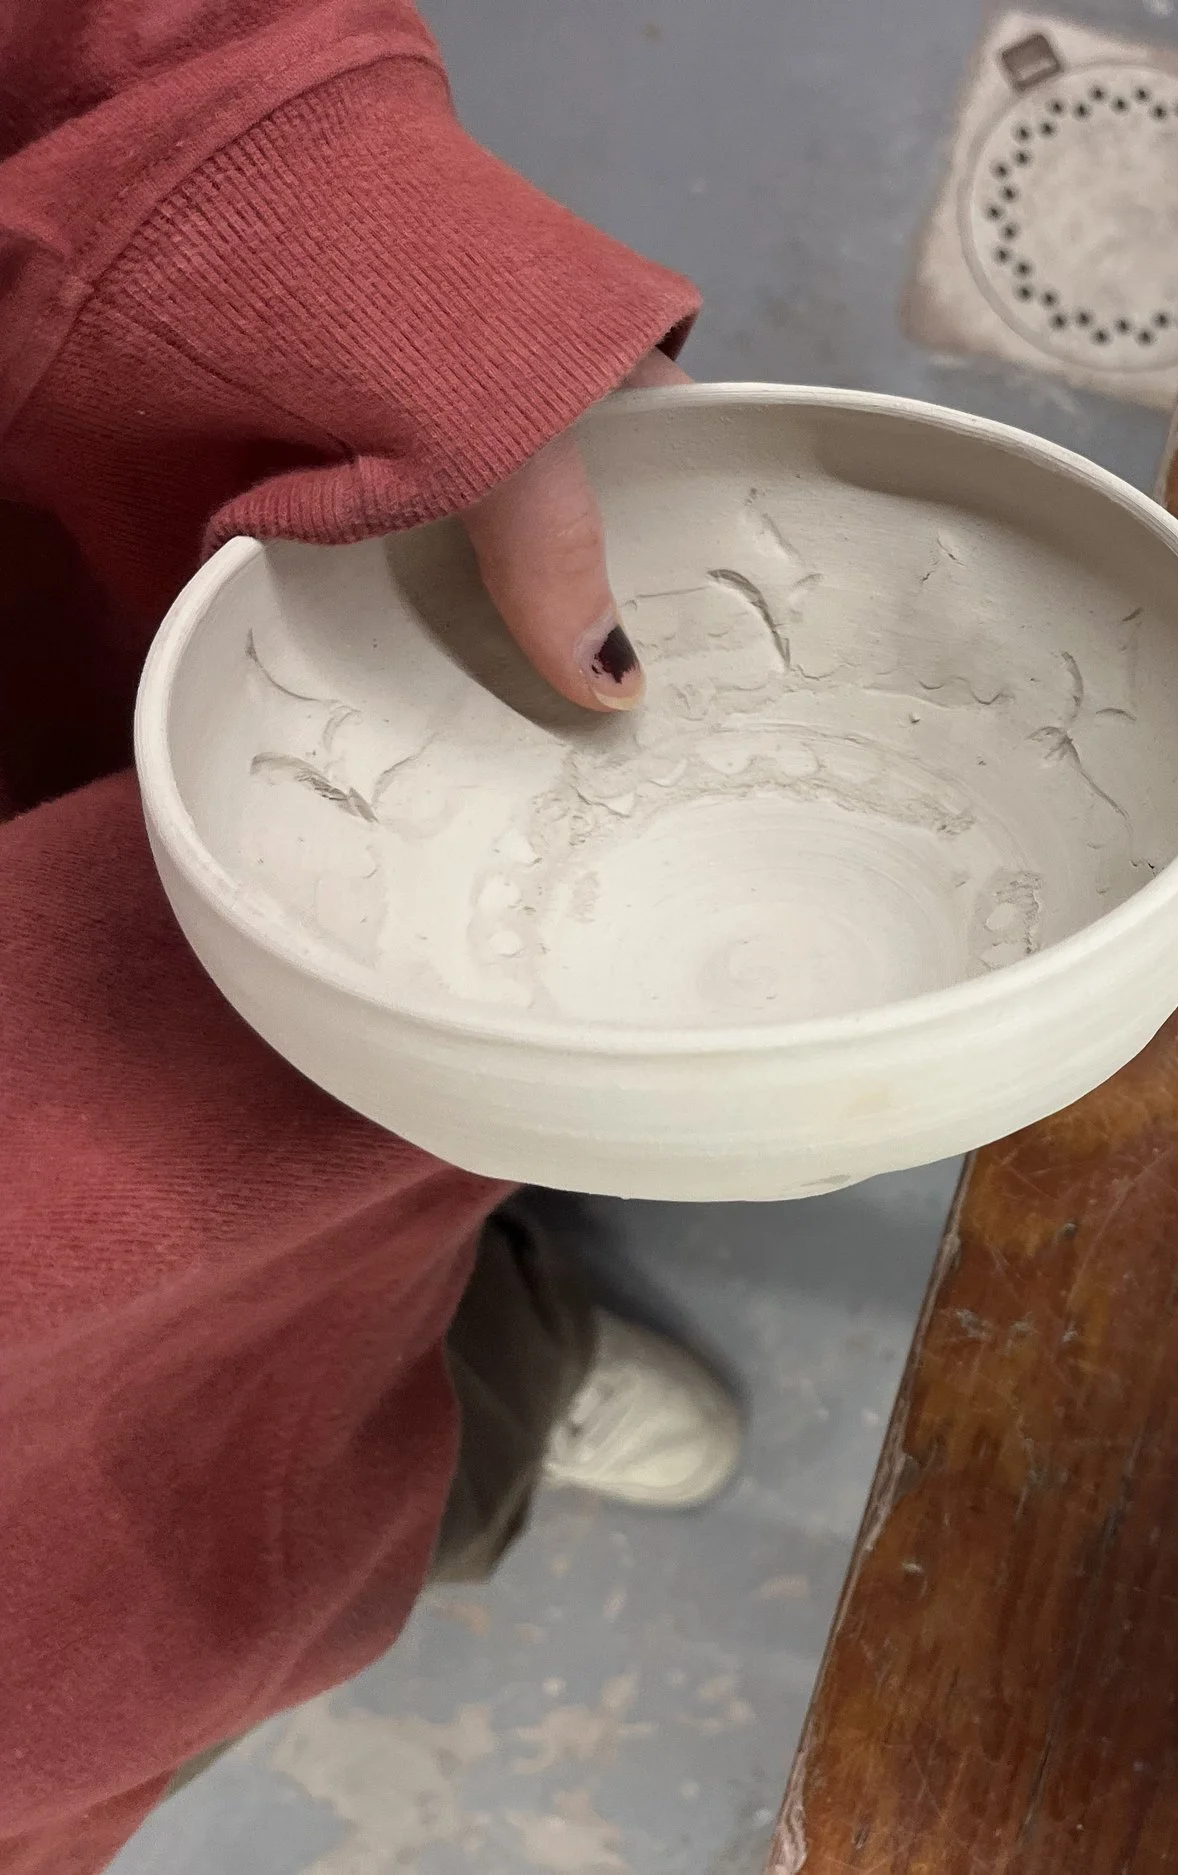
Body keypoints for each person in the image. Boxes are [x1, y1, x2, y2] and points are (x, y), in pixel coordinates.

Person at [1, 5, 750, 1867]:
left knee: (384, 1295)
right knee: (261, 1594)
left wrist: (293, 212)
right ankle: (474, 1402)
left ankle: (509, 1333)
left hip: (145, 839)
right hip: (46, 1679)